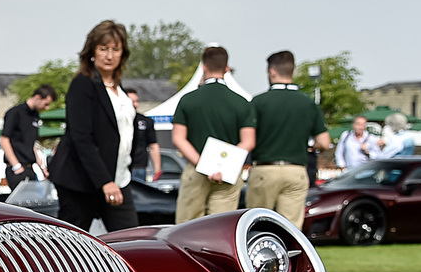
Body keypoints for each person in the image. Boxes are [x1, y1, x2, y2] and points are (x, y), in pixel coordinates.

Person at [48, 21, 138, 232]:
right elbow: (81, 138)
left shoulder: (118, 88)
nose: (109, 55)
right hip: (80, 181)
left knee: (131, 239)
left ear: (123, 53)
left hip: (119, 179)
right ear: (92, 51)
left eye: (116, 49)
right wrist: (105, 181)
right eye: (103, 48)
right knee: (71, 246)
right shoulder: (82, 84)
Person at [245, 50, 331, 228]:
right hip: (296, 170)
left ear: (272, 71)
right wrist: (309, 147)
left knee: (257, 226)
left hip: (265, 169)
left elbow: (248, 139)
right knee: (290, 229)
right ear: (292, 71)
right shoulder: (308, 103)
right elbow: (324, 142)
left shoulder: (258, 102)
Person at [171, 46, 256, 222]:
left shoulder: (188, 99)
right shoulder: (241, 102)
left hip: (195, 170)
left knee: (186, 229)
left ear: (203, 67)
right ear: (227, 68)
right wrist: (224, 165)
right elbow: (248, 141)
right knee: (218, 228)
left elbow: (178, 138)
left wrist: (204, 164)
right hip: (228, 174)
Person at [0, 84, 55, 189]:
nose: (46, 108)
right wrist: (17, 166)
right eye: (46, 104)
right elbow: (4, 140)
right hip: (17, 169)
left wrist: (42, 168)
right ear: (38, 97)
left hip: (30, 169)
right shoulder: (14, 113)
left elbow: (31, 144)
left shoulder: (35, 116)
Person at [126, 87, 161, 181]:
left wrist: (157, 170)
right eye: (131, 101)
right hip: (121, 167)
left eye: (136, 101)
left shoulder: (145, 121)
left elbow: (153, 146)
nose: (134, 104)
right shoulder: (115, 121)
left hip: (139, 168)